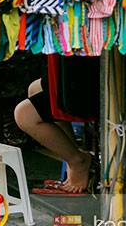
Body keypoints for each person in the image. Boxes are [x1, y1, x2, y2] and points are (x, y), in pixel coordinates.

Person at [14, 56, 98, 195]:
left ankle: (77, 160)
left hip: (84, 80)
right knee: (34, 88)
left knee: (24, 115)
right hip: (69, 71)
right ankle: (73, 157)